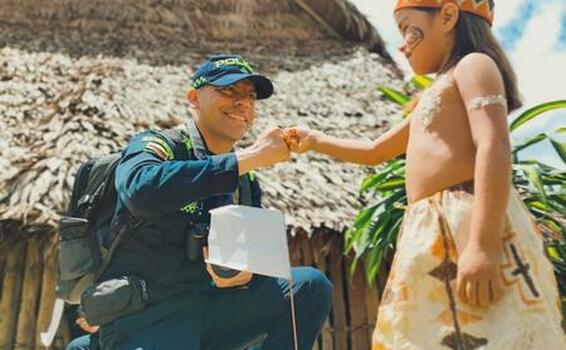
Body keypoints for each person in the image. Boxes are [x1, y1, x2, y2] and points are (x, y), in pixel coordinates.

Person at [285, 1, 566, 349]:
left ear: (447, 16)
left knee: (494, 329)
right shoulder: (431, 95)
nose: (402, 43)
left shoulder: (474, 66)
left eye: (407, 28)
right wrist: (316, 141)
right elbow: (375, 151)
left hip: (469, 219)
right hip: (429, 229)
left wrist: (482, 245)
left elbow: (493, 145)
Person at [66, 54, 332, 350]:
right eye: (228, 90)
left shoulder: (245, 180)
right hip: (148, 314)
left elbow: (249, 258)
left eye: (250, 96)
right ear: (194, 98)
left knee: (309, 286)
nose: (243, 102)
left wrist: (244, 274)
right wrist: (249, 157)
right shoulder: (159, 145)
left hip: (211, 308)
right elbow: (139, 191)